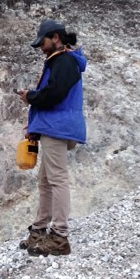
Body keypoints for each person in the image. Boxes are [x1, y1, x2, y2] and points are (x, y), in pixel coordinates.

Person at [15, 20, 87, 256]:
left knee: (56, 179)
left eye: (43, 42)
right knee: (46, 181)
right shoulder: (59, 60)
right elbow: (54, 95)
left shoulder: (64, 60)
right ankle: (40, 229)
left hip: (57, 127)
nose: (40, 47)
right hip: (52, 126)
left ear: (55, 37)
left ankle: (60, 236)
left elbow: (54, 94)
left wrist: (31, 97)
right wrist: (35, 125)